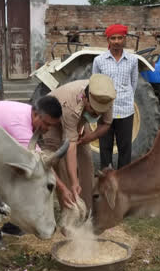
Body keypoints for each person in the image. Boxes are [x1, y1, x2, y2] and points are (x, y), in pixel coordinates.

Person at [0, 96, 69, 250]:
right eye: (46, 124)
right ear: (35, 115)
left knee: (14, 179)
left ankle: (10, 225)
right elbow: (41, 163)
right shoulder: (20, 125)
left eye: (51, 126)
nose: (47, 129)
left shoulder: (28, 115)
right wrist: (63, 188)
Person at [43, 74, 116, 210]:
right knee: (59, 162)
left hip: (78, 120)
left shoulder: (105, 98)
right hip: (53, 118)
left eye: (99, 112)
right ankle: (69, 212)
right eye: (93, 110)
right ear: (85, 98)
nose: (96, 114)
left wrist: (91, 137)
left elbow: (106, 123)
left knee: (86, 160)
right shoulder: (71, 104)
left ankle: (87, 210)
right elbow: (70, 146)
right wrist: (74, 182)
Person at [92, 23, 138, 169]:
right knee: (105, 149)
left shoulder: (132, 60)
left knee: (125, 149)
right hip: (105, 111)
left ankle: (123, 181)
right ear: (108, 40)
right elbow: (95, 84)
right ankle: (106, 180)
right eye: (113, 38)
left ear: (124, 39)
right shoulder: (99, 61)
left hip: (125, 111)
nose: (117, 41)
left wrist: (127, 99)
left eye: (119, 38)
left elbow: (134, 84)